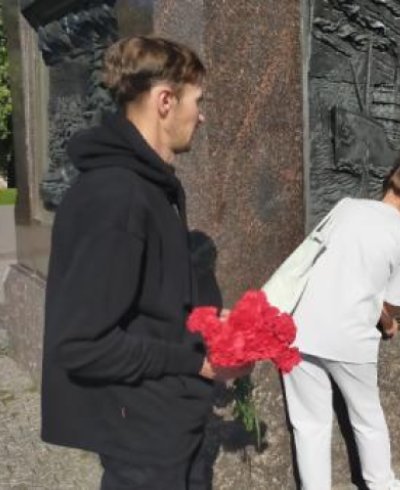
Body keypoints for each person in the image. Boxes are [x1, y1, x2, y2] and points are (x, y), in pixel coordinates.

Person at [41, 36, 248, 489]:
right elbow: (81, 344)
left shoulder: (152, 187)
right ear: (165, 100)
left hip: (171, 426)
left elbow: (151, 300)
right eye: (199, 101)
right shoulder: (117, 198)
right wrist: (195, 363)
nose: (204, 115)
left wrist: (211, 327)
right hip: (144, 443)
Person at [283, 157, 400, 490]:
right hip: (350, 337)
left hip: (299, 327)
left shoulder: (346, 207)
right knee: (367, 418)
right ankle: (381, 485)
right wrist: (389, 324)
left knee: (309, 424)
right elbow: (393, 306)